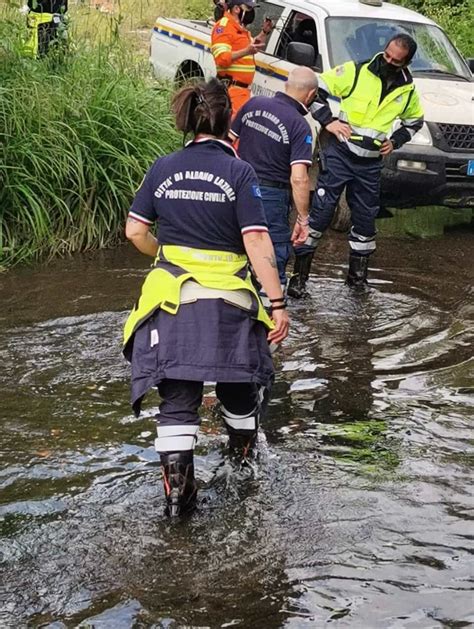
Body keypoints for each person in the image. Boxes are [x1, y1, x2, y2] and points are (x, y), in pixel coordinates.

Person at [123, 78, 289, 518]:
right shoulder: (240, 172)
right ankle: (243, 471)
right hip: (230, 309)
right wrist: (277, 303)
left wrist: (163, 252)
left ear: (187, 120)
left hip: (172, 305)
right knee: (238, 392)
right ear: (227, 119)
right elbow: (256, 243)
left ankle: (178, 496)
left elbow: (135, 231)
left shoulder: (163, 167)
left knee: (178, 402)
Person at [288, 33, 424, 295]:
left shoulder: (407, 91)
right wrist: (328, 121)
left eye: (395, 61)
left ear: (405, 64)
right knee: (321, 214)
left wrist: (395, 141)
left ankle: (357, 282)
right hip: (340, 155)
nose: (388, 61)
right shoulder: (356, 71)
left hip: (370, 165)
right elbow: (316, 90)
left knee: (365, 221)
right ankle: (298, 279)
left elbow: (414, 122)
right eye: (386, 55)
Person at [230, 66, 317, 301]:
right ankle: (271, 321)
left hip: (236, 186)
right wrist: (303, 218)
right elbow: (299, 178)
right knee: (272, 257)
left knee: (234, 250)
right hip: (269, 196)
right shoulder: (299, 125)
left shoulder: (253, 104)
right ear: (310, 96)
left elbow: (227, 142)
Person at [211, 0, 274, 117]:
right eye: (248, 8)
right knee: (230, 131)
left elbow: (252, 47)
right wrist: (246, 51)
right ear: (236, 9)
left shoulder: (240, 28)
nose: (251, 13)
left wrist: (264, 32)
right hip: (231, 92)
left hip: (242, 92)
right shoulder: (223, 27)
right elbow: (221, 58)